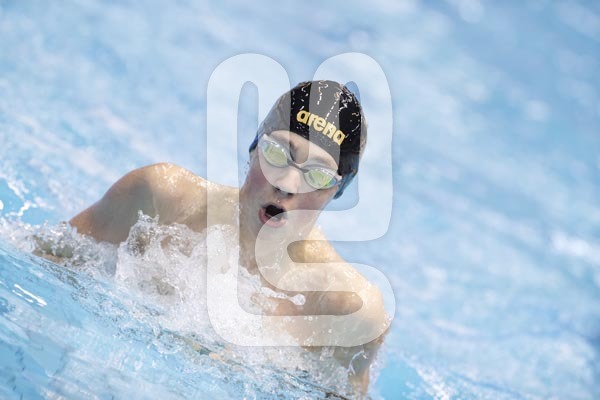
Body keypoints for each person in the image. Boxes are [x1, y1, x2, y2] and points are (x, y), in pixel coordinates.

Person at [69, 80, 389, 396]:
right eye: (278, 153)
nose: (287, 184)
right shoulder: (158, 203)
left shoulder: (347, 309)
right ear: (254, 146)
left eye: (317, 175)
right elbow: (51, 262)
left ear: (338, 190)